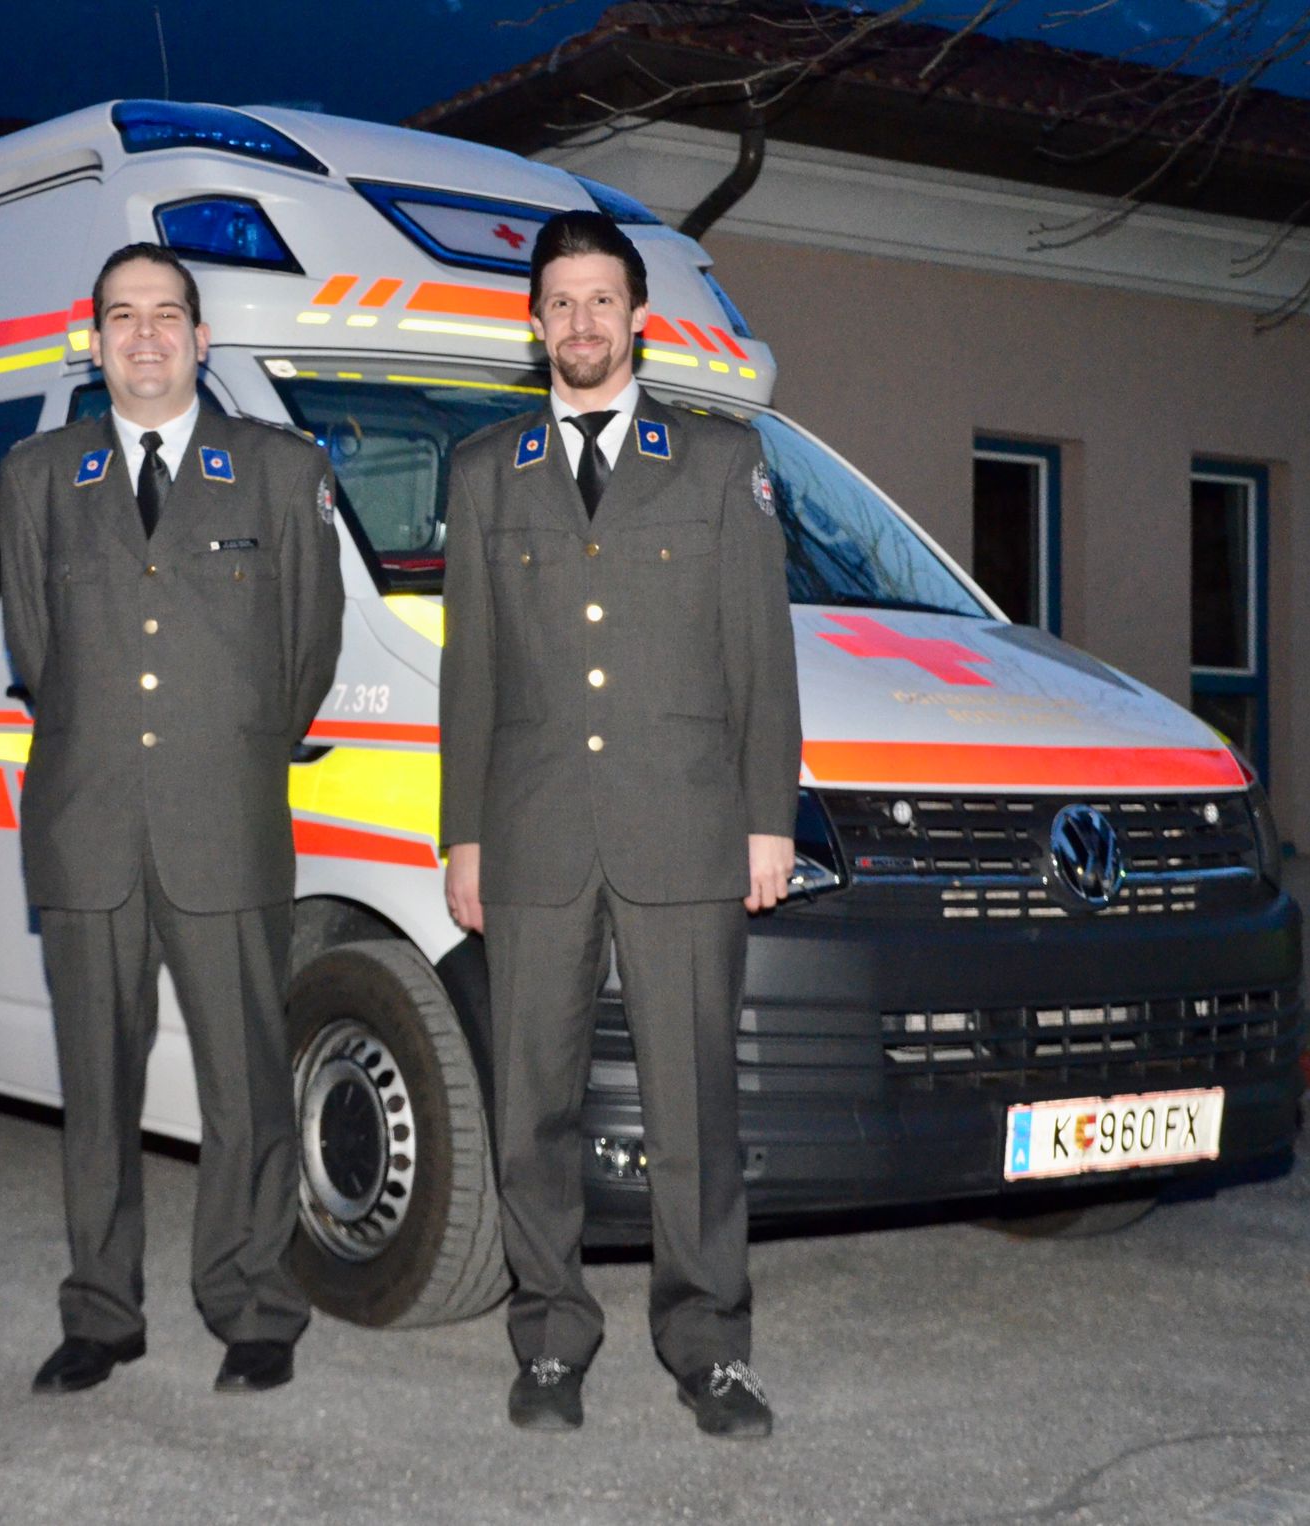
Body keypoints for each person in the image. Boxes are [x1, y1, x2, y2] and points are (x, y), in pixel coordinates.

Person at [439, 212, 802, 1438]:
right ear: (531, 319)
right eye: (560, 302)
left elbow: (761, 653)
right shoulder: (485, 469)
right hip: (533, 833)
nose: (581, 323)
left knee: (693, 1102)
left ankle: (708, 1343)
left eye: (602, 301)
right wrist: (462, 836)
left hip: (686, 832)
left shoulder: (715, 459)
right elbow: (471, 673)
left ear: (637, 315)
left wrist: (767, 820)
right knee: (531, 1099)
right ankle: (548, 1338)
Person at [0, 244, 345, 1397]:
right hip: (87, 824)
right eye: (120, 317)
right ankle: (101, 1311)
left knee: (245, 1079)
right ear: (92, 343)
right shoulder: (42, 476)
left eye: (166, 316)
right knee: (94, 1087)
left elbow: (306, 649)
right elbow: (39, 657)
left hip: (225, 820)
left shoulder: (280, 470)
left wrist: (229, 751)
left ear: (202, 339)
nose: (143, 336)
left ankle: (251, 1301)